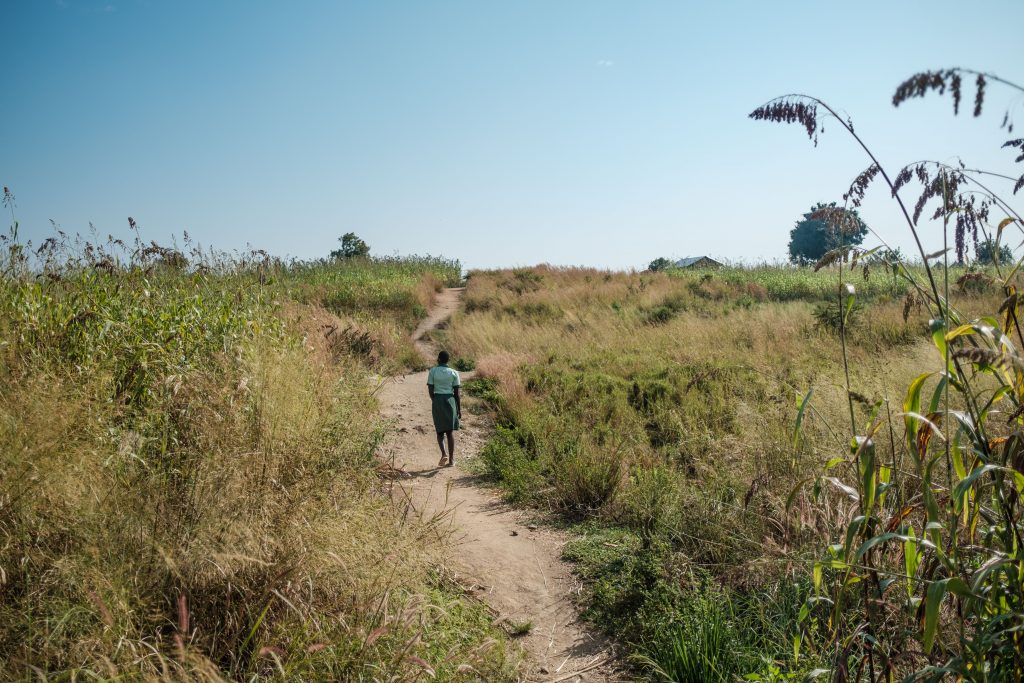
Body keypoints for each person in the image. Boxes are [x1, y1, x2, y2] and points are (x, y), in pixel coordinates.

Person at [427, 350, 461, 467]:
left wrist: (435, 401)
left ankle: (443, 453)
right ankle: (451, 460)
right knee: (450, 432)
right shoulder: (454, 373)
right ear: (448, 360)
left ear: (438, 359)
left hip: (437, 400)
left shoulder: (433, 371)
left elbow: (430, 389)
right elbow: (457, 393)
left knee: (439, 431)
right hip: (450, 401)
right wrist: (458, 409)